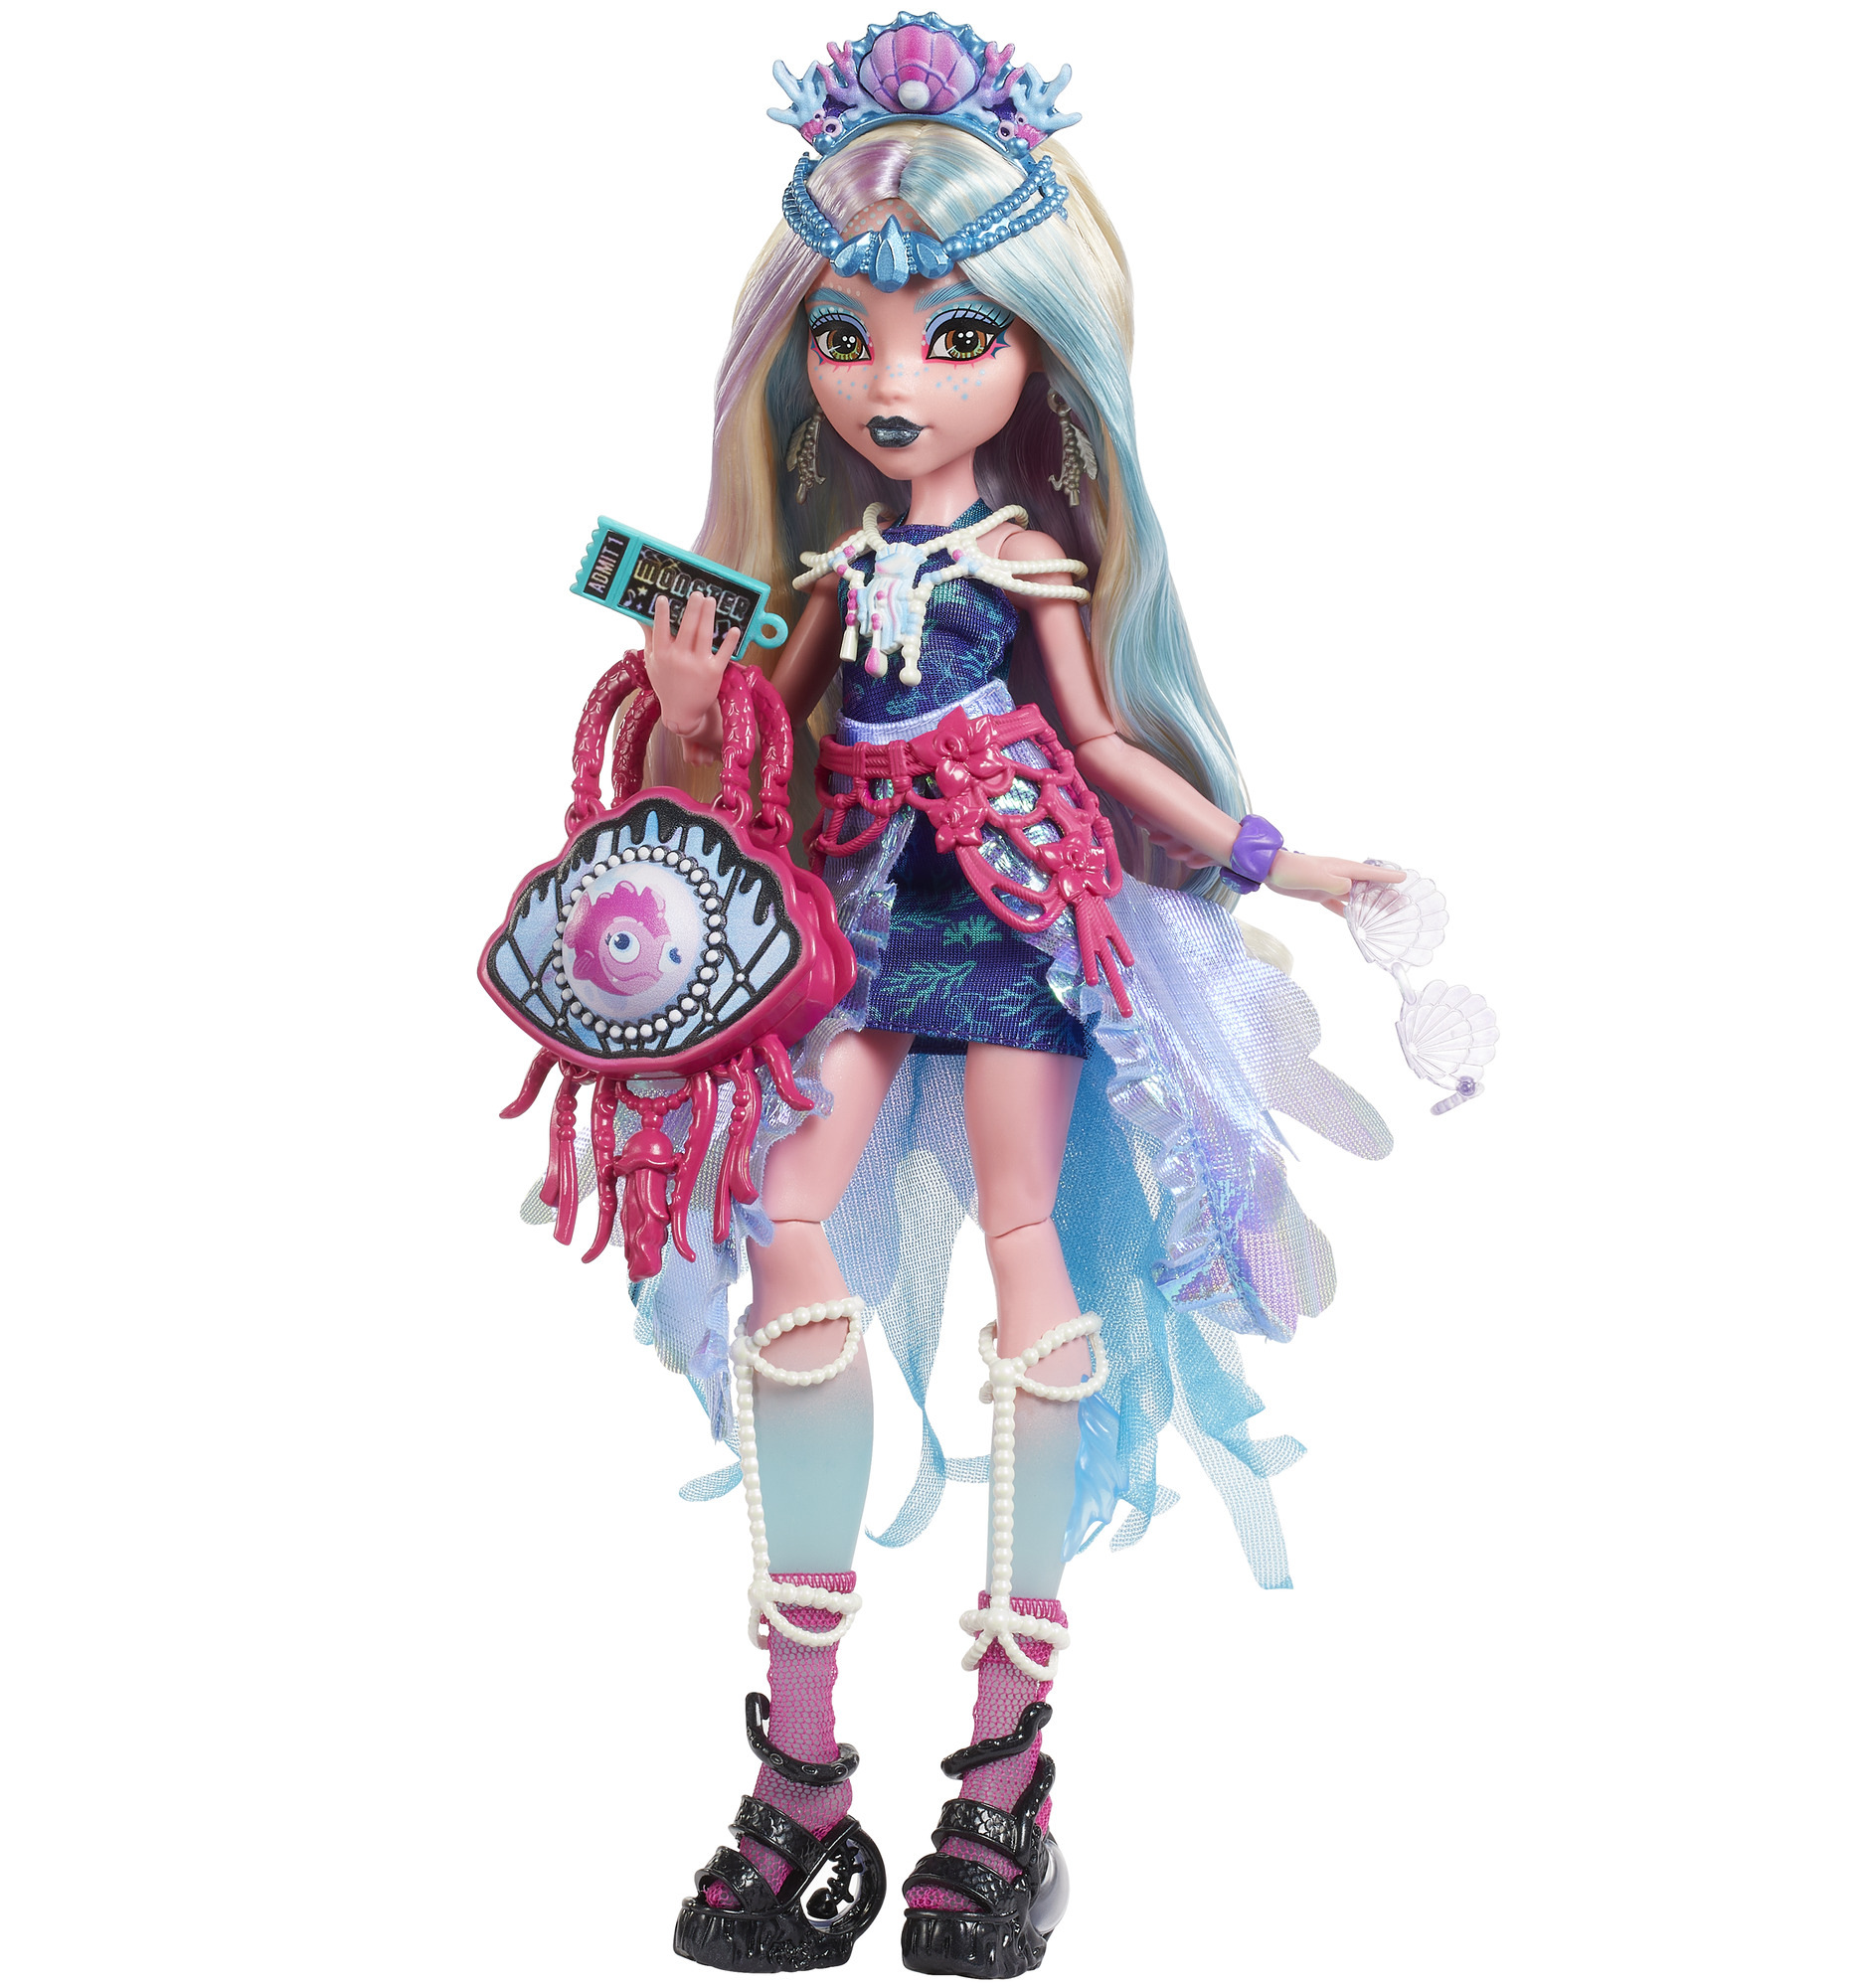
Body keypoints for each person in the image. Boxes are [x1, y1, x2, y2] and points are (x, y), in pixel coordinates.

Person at [592, 21, 1404, 1975]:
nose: (893, 380)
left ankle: (1004, 1772)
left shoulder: (1029, 551)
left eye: (955, 336)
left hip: (1018, 912)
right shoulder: (827, 562)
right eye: (848, 335)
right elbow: (763, 755)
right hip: (857, 916)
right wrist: (692, 709)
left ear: (1042, 353)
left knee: (1030, 1260)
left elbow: (1107, 745)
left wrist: (1271, 856)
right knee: (788, 1227)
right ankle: (800, 1765)